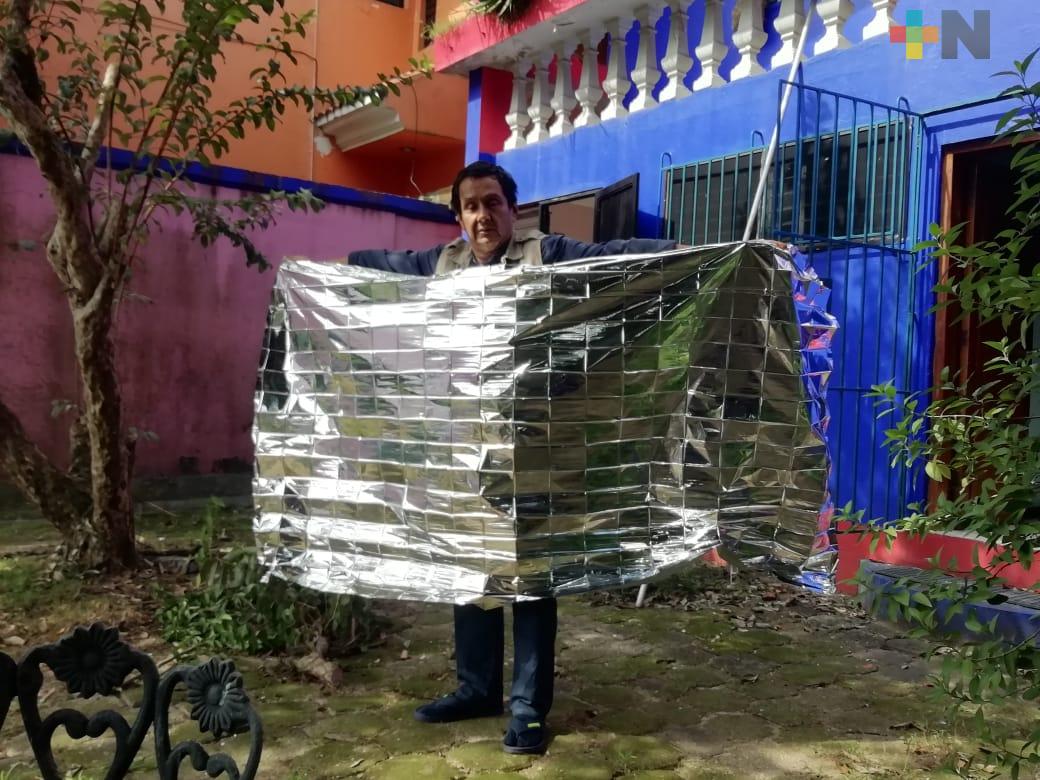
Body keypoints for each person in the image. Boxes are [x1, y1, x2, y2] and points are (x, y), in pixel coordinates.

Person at [348, 160, 676, 755]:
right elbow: (384, 269)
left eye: (492, 202)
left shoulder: (545, 253)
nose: (482, 215)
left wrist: (697, 250)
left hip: (534, 447)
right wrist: (324, 275)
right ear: (458, 215)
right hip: (465, 449)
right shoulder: (441, 265)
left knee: (529, 576)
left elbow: (618, 255)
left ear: (512, 208)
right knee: (469, 566)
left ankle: (527, 708)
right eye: (470, 205)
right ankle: (476, 689)